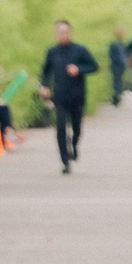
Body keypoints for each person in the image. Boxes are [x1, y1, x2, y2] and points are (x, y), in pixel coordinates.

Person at [39, 21, 99, 171]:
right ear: (56, 34)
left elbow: (94, 66)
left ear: (70, 33)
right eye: (60, 32)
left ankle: (74, 143)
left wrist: (79, 69)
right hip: (59, 96)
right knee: (60, 128)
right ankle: (65, 161)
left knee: (77, 128)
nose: (63, 35)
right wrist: (44, 86)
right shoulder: (52, 52)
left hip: (77, 96)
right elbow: (46, 71)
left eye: (66, 32)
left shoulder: (80, 50)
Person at [106, 28, 131, 108]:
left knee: (119, 81)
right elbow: (112, 55)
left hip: (122, 66)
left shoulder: (123, 44)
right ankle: (115, 98)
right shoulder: (114, 44)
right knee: (116, 82)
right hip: (115, 66)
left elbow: (126, 54)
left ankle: (118, 97)